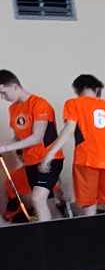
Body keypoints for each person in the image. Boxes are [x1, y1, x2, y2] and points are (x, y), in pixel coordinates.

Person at [56, 75, 105, 216]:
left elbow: (69, 129)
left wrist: (51, 152)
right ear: (97, 89)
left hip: (86, 160)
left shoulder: (73, 103)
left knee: (89, 205)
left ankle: (92, 230)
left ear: (78, 89)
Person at [0, 71, 61, 221]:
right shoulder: (13, 109)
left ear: (15, 86)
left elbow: (37, 137)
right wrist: (4, 146)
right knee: (48, 204)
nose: (2, 97)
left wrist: (5, 148)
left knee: (37, 199)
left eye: (3, 93)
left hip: (48, 160)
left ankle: (44, 235)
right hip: (30, 162)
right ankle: (60, 231)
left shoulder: (40, 104)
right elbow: (17, 138)